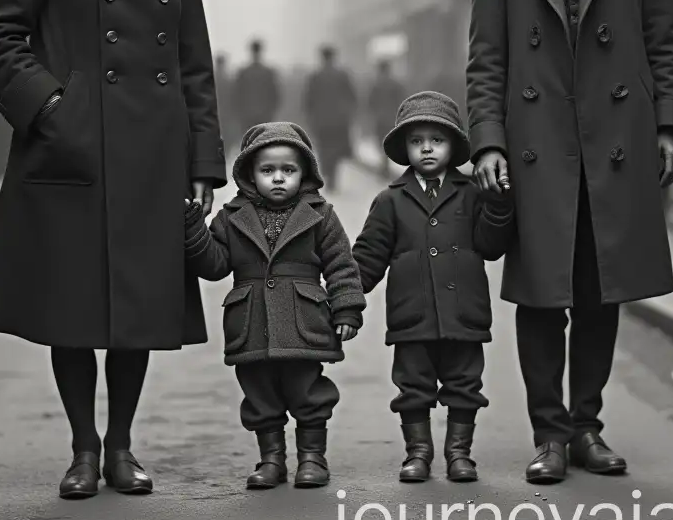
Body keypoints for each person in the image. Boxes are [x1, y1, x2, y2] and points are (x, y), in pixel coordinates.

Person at [0, 0, 226, 500]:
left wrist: (204, 159)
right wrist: (53, 105)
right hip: (71, 149)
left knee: (137, 311)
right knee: (73, 310)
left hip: (152, 153)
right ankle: (82, 448)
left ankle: (121, 447)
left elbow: (194, 58)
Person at [466, 0, 673, 483]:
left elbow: (663, 36)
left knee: (600, 289)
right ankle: (549, 435)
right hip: (536, 147)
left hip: (615, 140)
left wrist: (671, 127)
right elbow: (487, 55)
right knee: (540, 295)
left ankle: (587, 427)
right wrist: (490, 143)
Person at [183, 122, 365, 490]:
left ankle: (312, 457)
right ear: (250, 173)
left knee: (308, 393)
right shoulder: (231, 217)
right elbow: (216, 265)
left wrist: (347, 309)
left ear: (305, 172)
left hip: (304, 322)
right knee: (259, 394)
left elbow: (341, 264)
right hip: (252, 325)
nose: (278, 178)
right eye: (268, 171)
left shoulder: (320, 215)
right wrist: (193, 231)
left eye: (289, 170)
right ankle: (271, 459)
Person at [351, 92, 514, 483]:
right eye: (416, 141)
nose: (426, 149)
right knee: (413, 388)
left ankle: (459, 453)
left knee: (465, 386)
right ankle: (418, 453)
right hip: (413, 316)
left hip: (464, 313)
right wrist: (345, 299)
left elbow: (491, 247)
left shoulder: (473, 193)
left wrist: (498, 206)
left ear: (454, 146)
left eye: (436, 140)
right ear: (404, 148)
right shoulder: (389, 201)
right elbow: (368, 257)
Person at [302, 45, 357, 191]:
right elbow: (352, 96)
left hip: (321, 119)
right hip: (339, 119)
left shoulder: (315, 76)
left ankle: (327, 170)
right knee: (336, 147)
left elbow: (308, 99)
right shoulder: (342, 75)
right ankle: (332, 174)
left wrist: (310, 116)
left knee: (324, 146)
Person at [232, 39, 281, 133]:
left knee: (249, 144)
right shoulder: (268, 72)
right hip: (264, 116)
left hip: (247, 116)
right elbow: (275, 96)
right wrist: (271, 112)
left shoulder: (243, 72)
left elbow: (236, 96)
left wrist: (239, 113)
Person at [366, 60, 406, 166]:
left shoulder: (376, 85)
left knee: (381, 140)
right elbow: (401, 100)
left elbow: (370, 102)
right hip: (392, 117)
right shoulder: (396, 84)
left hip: (380, 118)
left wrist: (373, 113)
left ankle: (384, 162)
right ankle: (385, 162)